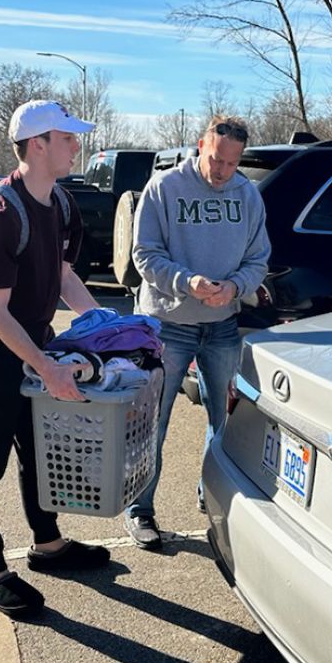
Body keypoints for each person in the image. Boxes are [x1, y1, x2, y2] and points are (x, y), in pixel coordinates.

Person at [0, 99, 110, 620]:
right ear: (38, 144)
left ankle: (47, 546)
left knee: (38, 451)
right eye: (67, 137)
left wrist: (108, 326)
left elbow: (63, 276)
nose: (77, 144)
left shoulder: (60, 203)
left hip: (35, 345)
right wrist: (46, 367)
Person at [126, 115, 270, 549]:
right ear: (200, 145)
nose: (222, 170)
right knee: (153, 422)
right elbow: (144, 255)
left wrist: (235, 287)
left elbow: (258, 258)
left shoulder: (247, 195)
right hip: (167, 326)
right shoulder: (164, 188)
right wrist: (187, 282)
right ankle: (141, 510)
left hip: (222, 326)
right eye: (215, 159)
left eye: (231, 163)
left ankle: (210, 495)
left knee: (223, 422)